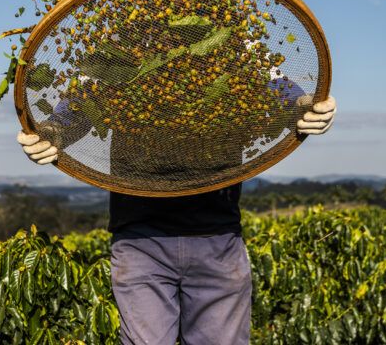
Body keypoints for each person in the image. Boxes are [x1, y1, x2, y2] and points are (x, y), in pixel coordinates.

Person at [18, 86, 336, 344]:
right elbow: (74, 107)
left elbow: (282, 91)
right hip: (141, 241)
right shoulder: (119, 48)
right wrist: (46, 134)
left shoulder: (236, 43)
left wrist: (310, 105)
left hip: (217, 241)